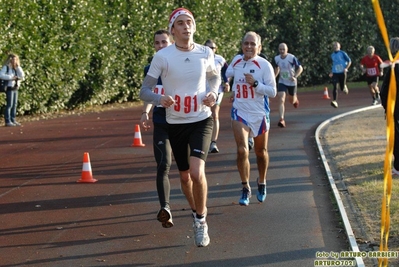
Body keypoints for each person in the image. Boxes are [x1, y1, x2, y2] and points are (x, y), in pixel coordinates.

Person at [140, 7, 220, 247]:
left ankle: (201, 222)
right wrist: (158, 99)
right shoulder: (163, 57)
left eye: (189, 22)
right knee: (185, 177)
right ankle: (196, 212)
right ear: (173, 29)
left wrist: (213, 93)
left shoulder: (205, 53)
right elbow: (145, 90)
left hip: (201, 120)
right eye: (181, 23)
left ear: (194, 27)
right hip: (175, 122)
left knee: (197, 172)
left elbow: (215, 77)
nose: (186, 26)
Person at [226, 31, 277, 206]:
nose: (249, 47)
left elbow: (273, 91)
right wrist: (229, 86)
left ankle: (261, 182)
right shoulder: (236, 61)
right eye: (246, 43)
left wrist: (256, 84)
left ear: (259, 47)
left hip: (259, 113)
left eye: (252, 44)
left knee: (261, 153)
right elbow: (227, 75)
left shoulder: (265, 66)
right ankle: (245, 187)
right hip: (240, 111)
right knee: (242, 150)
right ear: (242, 46)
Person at [140, 29, 181, 228]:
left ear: (172, 42)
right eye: (157, 43)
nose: (160, 46)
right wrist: (145, 113)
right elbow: (149, 93)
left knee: (188, 171)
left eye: (164, 42)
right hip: (161, 122)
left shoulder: (182, 65)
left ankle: (198, 210)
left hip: (183, 122)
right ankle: (165, 208)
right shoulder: (151, 68)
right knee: (164, 164)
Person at [204, 39, 230, 153]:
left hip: (217, 91)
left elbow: (226, 72)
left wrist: (227, 82)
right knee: (203, 116)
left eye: (212, 48)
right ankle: (203, 141)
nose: (210, 50)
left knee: (214, 114)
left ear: (216, 49)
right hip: (202, 91)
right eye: (208, 47)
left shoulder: (220, 59)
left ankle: (213, 143)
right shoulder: (199, 58)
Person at [380, 37, 399, 176]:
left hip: (396, 107)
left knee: (396, 136)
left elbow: (385, 90)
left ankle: (397, 167)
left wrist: (386, 107)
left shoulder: (394, 66)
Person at [273, 43, 303, 128]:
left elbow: (300, 68)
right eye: (280, 49)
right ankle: (281, 119)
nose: (282, 51)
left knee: (291, 101)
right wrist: (274, 78)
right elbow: (277, 68)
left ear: (287, 50)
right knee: (281, 99)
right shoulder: (276, 58)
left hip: (291, 82)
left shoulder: (291, 58)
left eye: (283, 49)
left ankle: (295, 99)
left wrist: (295, 76)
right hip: (282, 81)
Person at [0, 53, 25, 127]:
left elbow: (22, 75)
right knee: (9, 104)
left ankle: (13, 119)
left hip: (15, 87)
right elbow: (1, 75)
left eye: (16, 59)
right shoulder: (6, 67)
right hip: (9, 87)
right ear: (10, 60)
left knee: (14, 104)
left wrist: (18, 67)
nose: (14, 61)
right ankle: (8, 121)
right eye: (13, 59)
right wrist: (11, 77)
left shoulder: (17, 68)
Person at [329, 41, 351, 108]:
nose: (335, 47)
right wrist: (331, 72)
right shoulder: (332, 55)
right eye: (334, 46)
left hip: (342, 72)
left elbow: (349, 61)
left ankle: (344, 86)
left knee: (342, 88)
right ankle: (335, 101)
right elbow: (333, 64)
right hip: (335, 73)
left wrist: (346, 68)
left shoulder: (343, 53)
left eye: (336, 46)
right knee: (335, 86)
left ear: (339, 47)